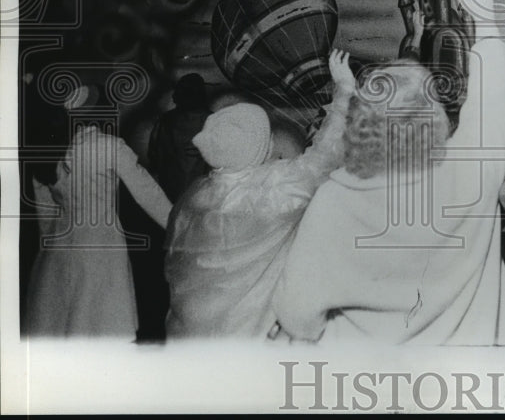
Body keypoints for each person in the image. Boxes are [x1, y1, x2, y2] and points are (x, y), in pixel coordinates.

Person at [272, 0, 505, 346]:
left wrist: (347, 91)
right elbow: (492, 106)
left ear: (363, 123)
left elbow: (298, 314)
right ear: (435, 115)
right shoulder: (470, 175)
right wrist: (486, 25)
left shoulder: (334, 200)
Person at [163, 49, 355, 338]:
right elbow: (324, 156)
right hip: (253, 335)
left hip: (195, 335)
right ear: (257, 148)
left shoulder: (196, 197)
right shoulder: (270, 192)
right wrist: (344, 92)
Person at [25, 85, 173, 338]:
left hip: (59, 246)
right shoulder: (110, 147)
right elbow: (148, 194)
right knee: (99, 323)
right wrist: (179, 228)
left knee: (59, 321)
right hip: (101, 244)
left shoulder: (46, 152)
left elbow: (46, 215)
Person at [146, 73, 210, 204]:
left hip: (169, 195)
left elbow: (153, 155)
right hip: (201, 196)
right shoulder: (213, 120)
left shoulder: (165, 120)